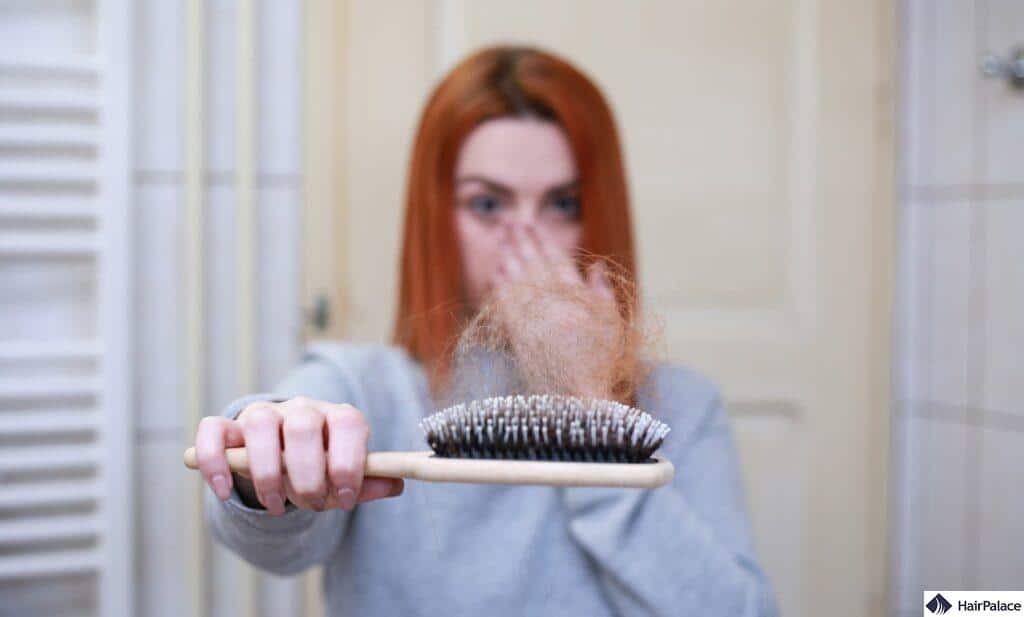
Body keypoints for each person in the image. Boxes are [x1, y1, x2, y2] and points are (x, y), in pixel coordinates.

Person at [193, 45, 779, 616]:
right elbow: (268, 536)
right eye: (489, 205)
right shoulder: (364, 387)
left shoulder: (682, 406)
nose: (528, 242)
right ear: (436, 215)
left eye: (563, 203)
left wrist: (590, 409)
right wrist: (267, 459)